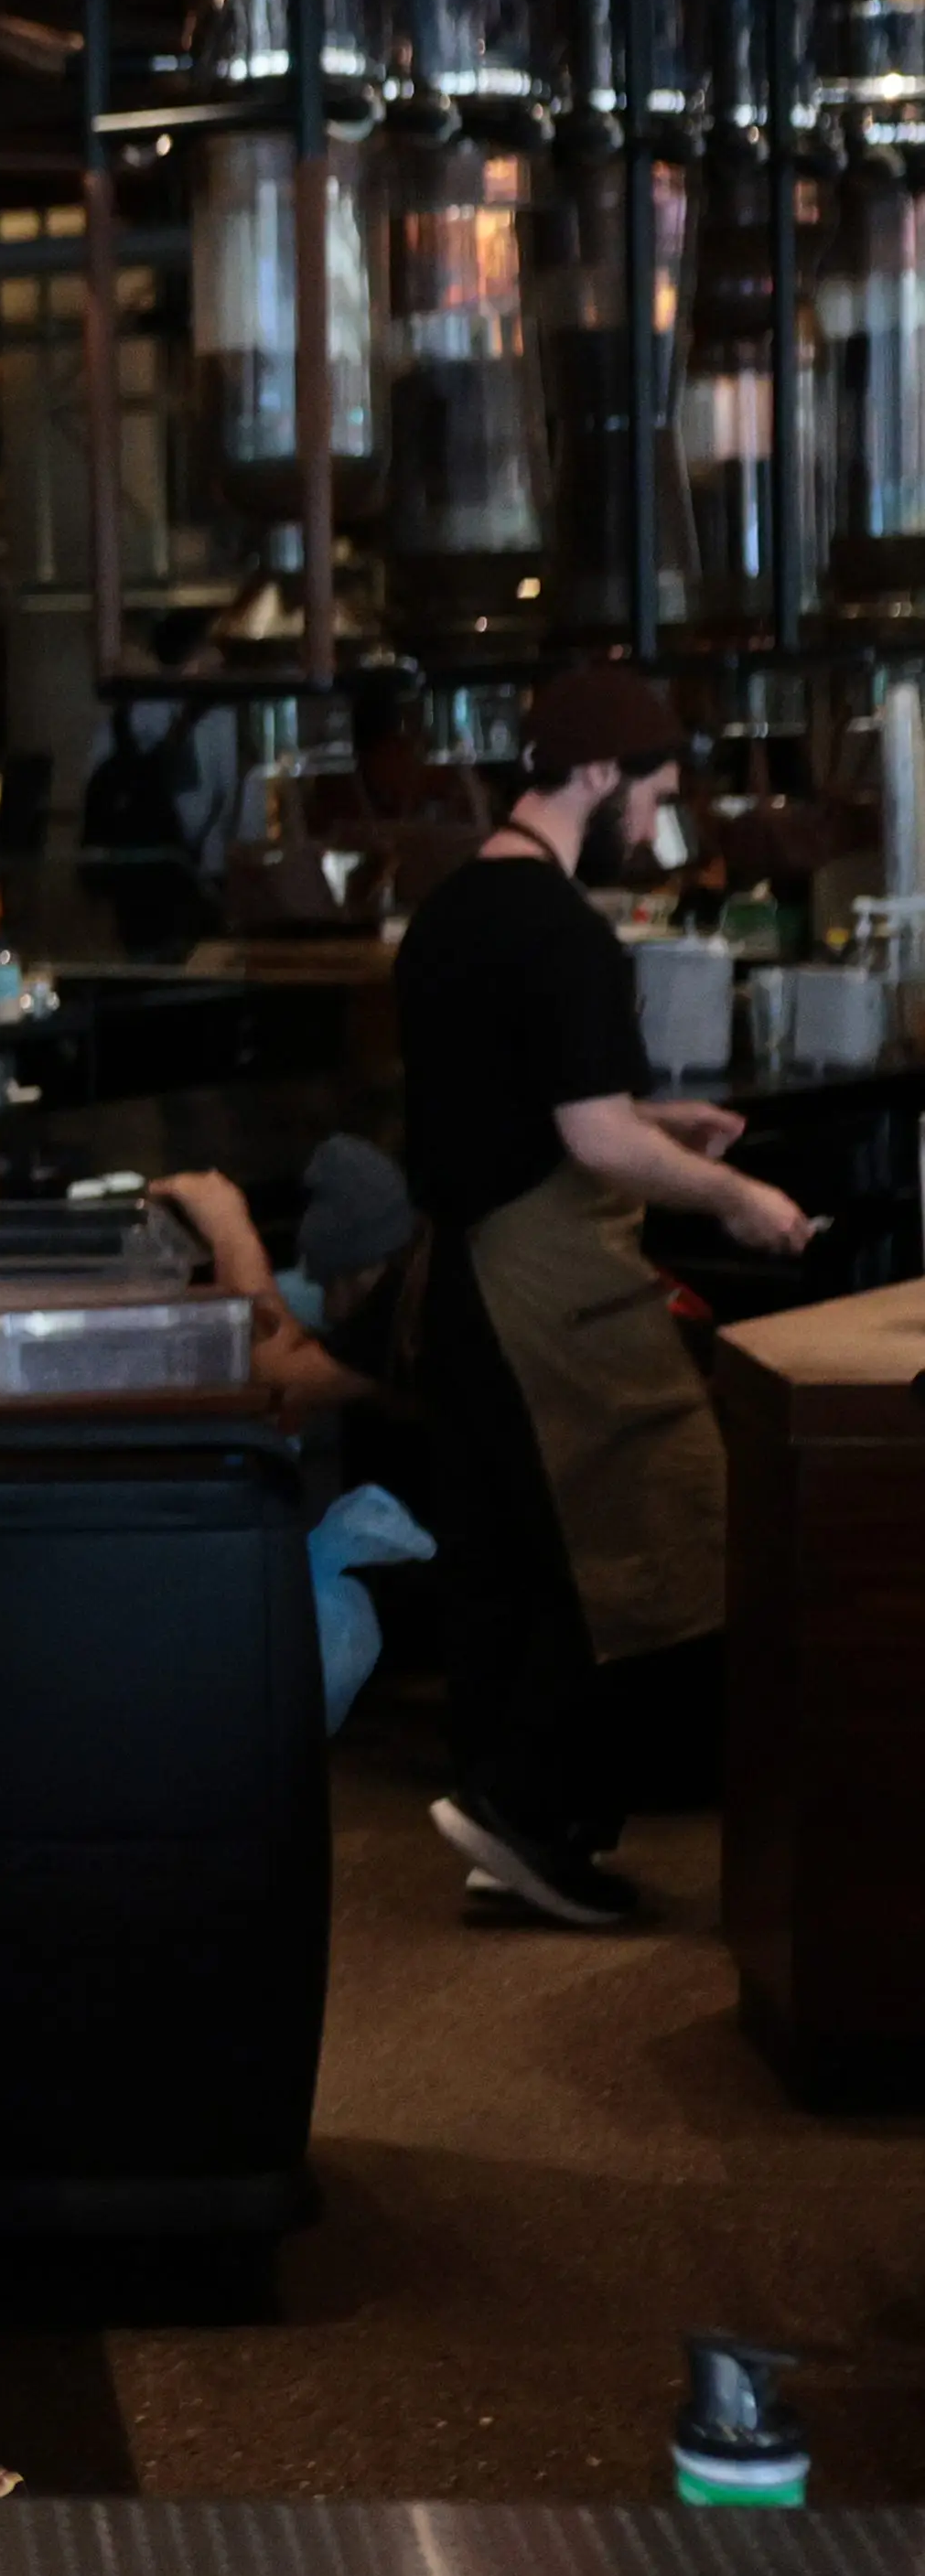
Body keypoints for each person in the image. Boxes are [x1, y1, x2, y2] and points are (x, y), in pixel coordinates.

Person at [391, 667, 812, 1929]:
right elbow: (594, 1146)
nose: (657, 811)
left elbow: (526, 1109)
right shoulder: (563, 934)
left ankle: (527, 1827)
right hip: (545, 1302)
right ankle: (523, 1810)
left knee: (524, 1562)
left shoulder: (453, 912)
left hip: (455, 1285)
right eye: (652, 786)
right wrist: (732, 1199)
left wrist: (658, 1120)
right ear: (592, 775)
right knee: (660, 1537)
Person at [151, 1139, 418, 1428]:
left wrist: (227, 1227)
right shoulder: (410, 1285)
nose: (327, 1310)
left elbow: (278, 1382)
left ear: (361, 1271)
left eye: (327, 1285)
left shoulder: (404, 1298)